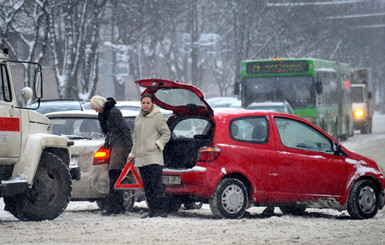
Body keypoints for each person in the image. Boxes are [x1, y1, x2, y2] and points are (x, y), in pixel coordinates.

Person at [127, 93, 171, 218]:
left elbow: (166, 133)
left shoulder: (157, 117)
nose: (145, 105)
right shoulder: (138, 118)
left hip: (153, 157)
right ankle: (152, 211)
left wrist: (158, 144)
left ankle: (161, 211)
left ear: (152, 104)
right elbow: (136, 139)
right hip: (141, 158)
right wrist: (132, 153)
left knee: (156, 185)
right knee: (147, 186)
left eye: (148, 103)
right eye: (143, 103)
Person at [90, 96, 133, 216]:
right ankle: (117, 205)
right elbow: (110, 131)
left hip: (120, 146)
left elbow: (124, 129)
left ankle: (115, 206)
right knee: (114, 176)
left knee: (114, 174)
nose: (96, 111)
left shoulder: (113, 112)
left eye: (96, 108)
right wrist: (107, 140)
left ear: (100, 105)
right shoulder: (103, 114)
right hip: (114, 145)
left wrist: (129, 148)